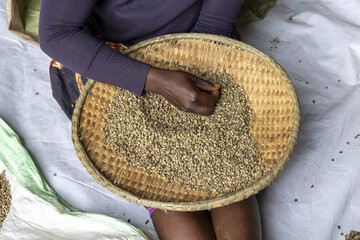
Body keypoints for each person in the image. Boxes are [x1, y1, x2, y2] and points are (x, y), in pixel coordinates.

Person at [39, 1, 262, 239]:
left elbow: (213, 23)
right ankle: (156, 193)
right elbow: (57, 33)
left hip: (198, 38)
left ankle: (232, 178)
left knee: (225, 159)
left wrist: (197, 58)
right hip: (113, 57)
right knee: (156, 175)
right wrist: (156, 80)